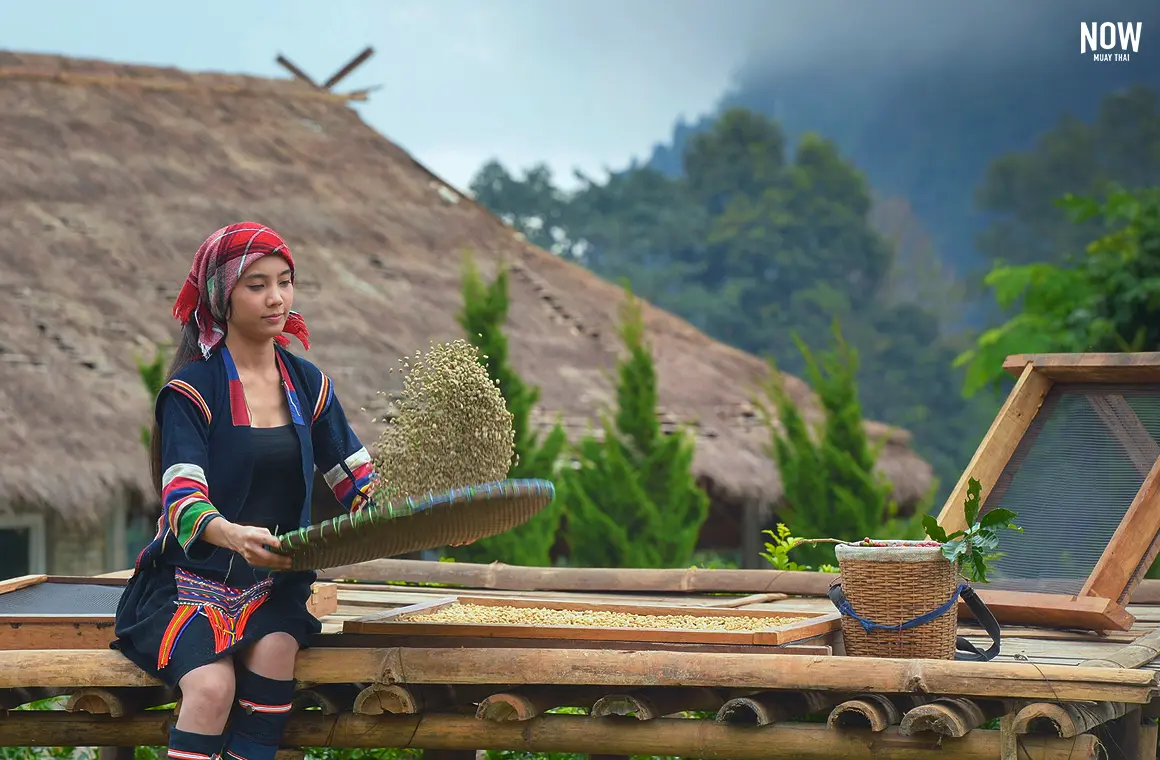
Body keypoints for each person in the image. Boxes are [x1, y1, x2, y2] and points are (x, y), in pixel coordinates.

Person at [112, 222, 377, 760]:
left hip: (273, 587)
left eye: (285, 280)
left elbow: (357, 482)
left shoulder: (310, 385)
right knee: (212, 688)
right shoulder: (190, 391)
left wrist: (438, 518)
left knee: (277, 652)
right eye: (256, 285)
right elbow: (183, 499)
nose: (276, 297)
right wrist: (231, 535)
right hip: (189, 586)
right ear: (221, 297)